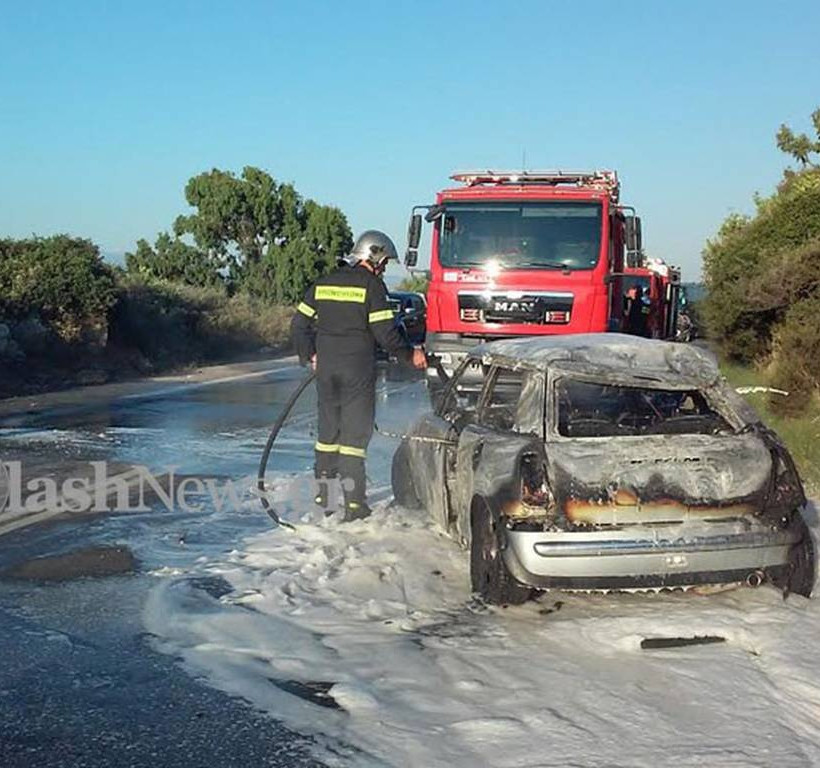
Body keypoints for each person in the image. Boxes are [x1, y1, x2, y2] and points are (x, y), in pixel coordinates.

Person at [291, 230, 427, 521]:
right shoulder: (372, 286)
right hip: (357, 371)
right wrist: (410, 355)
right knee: (354, 437)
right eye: (384, 263)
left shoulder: (324, 282)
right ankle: (354, 505)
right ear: (373, 256)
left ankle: (324, 499)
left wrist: (310, 355)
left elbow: (299, 324)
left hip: (326, 370)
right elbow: (386, 333)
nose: (384, 269)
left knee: (328, 433)